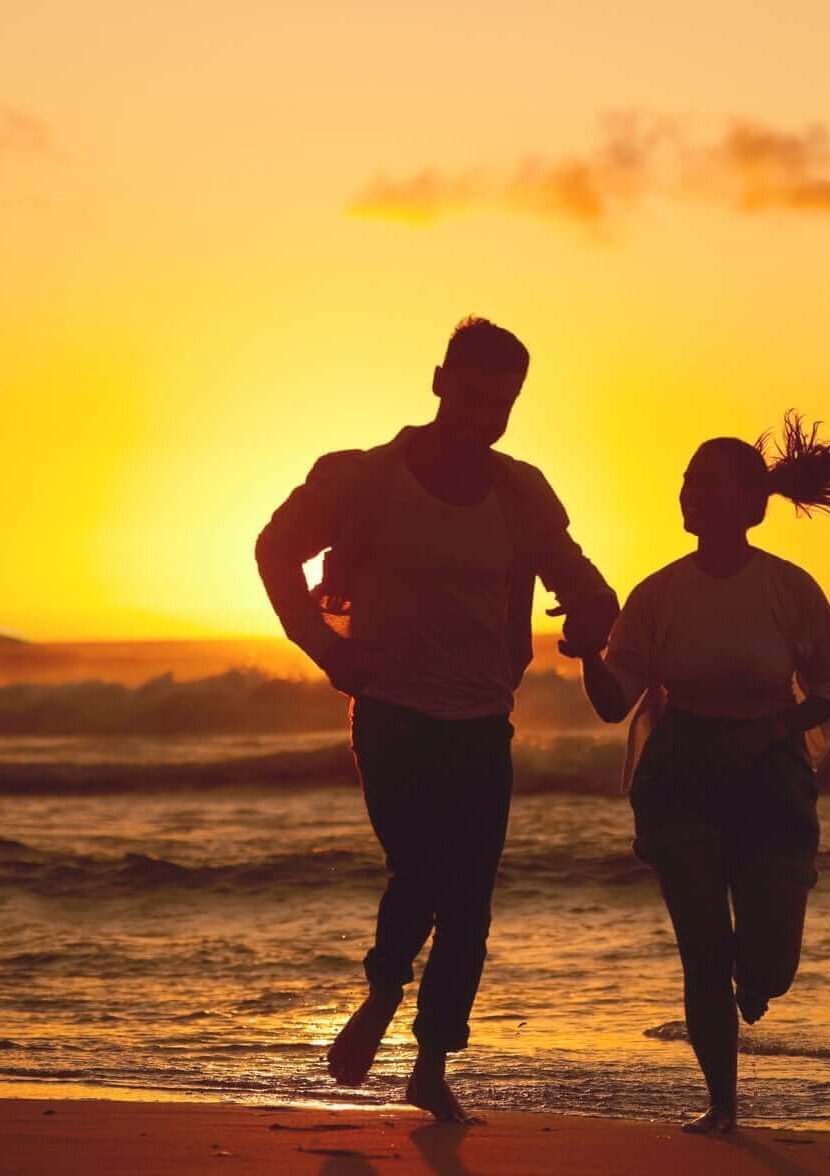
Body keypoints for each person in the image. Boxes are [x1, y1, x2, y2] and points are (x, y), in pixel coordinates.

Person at [255, 316, 618, 1121]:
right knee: (421, 870)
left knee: (469, 904)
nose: (486, 415)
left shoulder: (522, 493)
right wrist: (324, 650)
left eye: (504, 403)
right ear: (439, 382)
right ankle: (383, 996)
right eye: (474, 394)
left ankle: (430, 1064)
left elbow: (588, 584)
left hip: (483, 722)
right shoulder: (365, 480)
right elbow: (274, 548)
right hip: (390, 715)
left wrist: (593, 617)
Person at [573, 411, 830, 1133]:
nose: (687, 495)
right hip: (680, 776)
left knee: (769, 964)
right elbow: (616, 703)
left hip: (770, 778)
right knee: (702, 949)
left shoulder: (789, 589)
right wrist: (588, 651)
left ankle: (758, 979)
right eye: (684, 483)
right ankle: (722, 1106)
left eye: (705, 484)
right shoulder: (657, 594)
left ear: (751, 504)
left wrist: (773, 728)